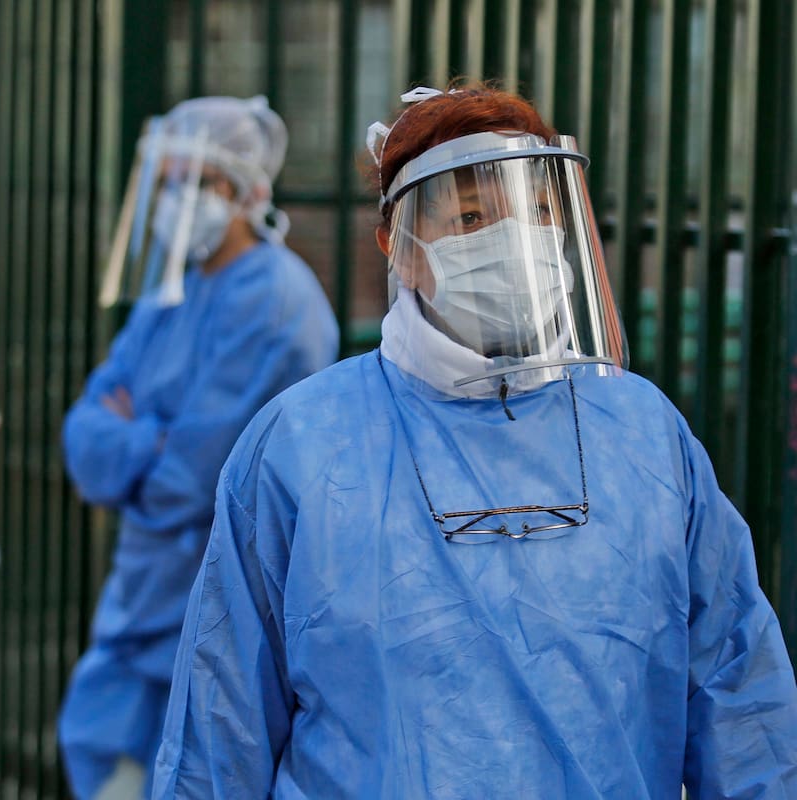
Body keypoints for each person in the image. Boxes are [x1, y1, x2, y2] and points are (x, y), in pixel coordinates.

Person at [151, 84, 797, 798]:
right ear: (400, 248)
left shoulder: (644, 433)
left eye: (542, 212)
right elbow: (221, 732)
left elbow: (743, 707)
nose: (518, 241)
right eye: (470, 217)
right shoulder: (300, 446)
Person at [57, 95, 339, 800]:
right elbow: (84, 434)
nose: (175, 200)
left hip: (225, 607)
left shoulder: (275, 302)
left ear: (243, 190)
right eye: (167, 181)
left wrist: (140, 439)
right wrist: (145, 442)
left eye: (194, 182)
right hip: (145, 600)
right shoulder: (170, 296)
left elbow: (191, 479)